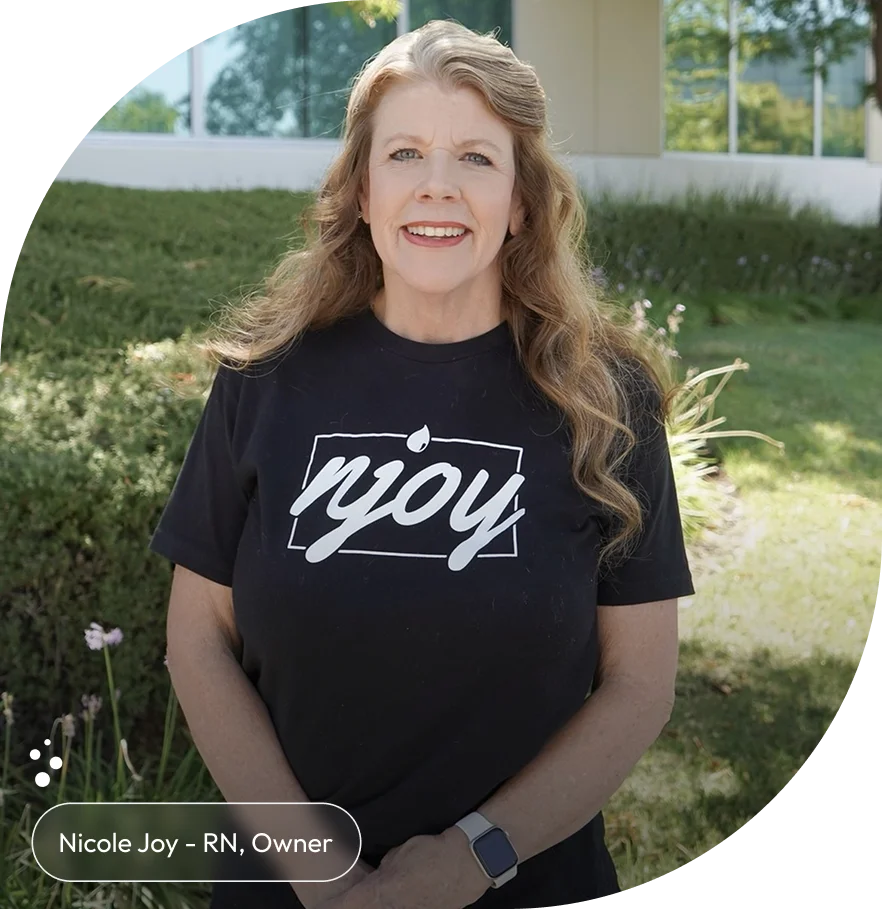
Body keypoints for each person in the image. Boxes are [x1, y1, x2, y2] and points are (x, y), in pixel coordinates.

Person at [149, 18, 695, 909]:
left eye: (476, 158)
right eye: (404, 154)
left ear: (521, 201)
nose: (437, 186)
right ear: (363, 190)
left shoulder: (605, 399)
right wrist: (322, 874)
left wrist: (471, 858)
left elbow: (639, 684)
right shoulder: (265, 380)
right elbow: (198, 639)